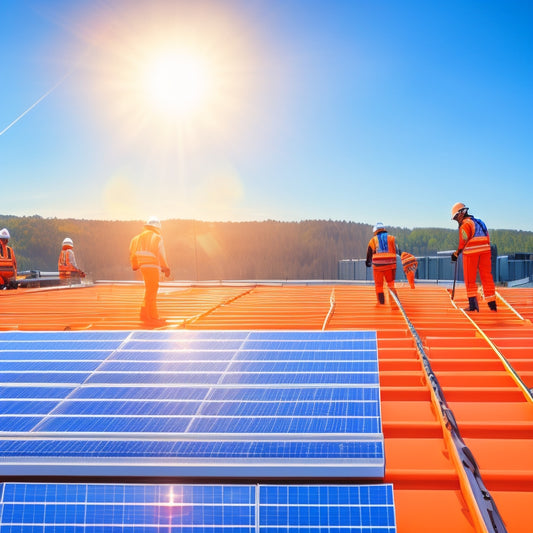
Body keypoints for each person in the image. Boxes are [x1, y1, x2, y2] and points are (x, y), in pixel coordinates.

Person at [450, 202, 497, 312]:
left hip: (471, 253)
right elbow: (487, 236)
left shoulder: (465, 225)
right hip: (485, 252)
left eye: (456, 217)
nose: (457, 219)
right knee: (487, 277)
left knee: (470, 279)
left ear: (461, 213)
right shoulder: (480, 223)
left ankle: (473, 305)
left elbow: (463, 241)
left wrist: (456, 254)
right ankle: (492, 305)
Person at [129, 216, 171, 326]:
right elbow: (161, 254)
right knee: (152, 290)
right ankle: (148, 315)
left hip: (142, 266)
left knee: (150, 289)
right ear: (157, 228)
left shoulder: (136, 238)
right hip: (152, 265)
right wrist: (165, 268)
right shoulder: (157, 237)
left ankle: (152, 315)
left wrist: (135, 265)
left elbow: (132, 253)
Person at [366, 222, 399, 304]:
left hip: (378, 266)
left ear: (375, 231)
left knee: (379, 285)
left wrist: (368, 262)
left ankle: (381, 303)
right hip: (390, 265)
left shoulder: (373, 240)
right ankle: (394, 302)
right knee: (391, 284)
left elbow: (369, 253)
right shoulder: (391, 238)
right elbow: (397, 251)